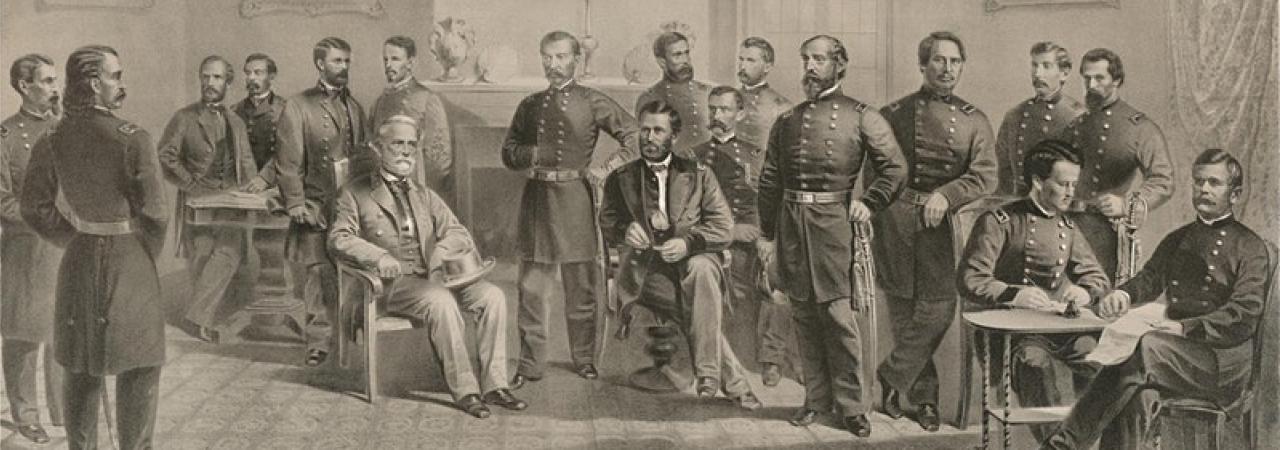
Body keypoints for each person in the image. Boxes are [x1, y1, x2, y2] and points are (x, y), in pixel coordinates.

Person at [1041, 148, 1272, 449]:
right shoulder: (1180, 237)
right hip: (1178, 351)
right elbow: (1150, 278)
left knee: (1144, 349)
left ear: (1235, 193)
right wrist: (1123, 294)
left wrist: (1184, 328)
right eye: (1198, 181)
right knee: (1133, 386)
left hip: (1221, 362)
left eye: (1214, 183)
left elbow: (1243, 315)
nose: (1203, 189)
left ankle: (1063, 445)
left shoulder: (1250, 247)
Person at [21, 44, 169, 450]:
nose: (120, 84)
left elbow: (33, 206)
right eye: (115, 76)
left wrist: (74, 237)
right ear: (92, 81)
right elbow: (156, 215)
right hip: (130, 261)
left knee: (80, 366)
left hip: (79, 259)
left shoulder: (52, 137)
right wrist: (142, 255)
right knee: (139, 367)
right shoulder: (133, 138)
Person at [329, 115, 526, 419]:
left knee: (493, 296)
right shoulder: (355, 193)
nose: (406, 151)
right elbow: (339, 238)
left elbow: (458, 232)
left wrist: (440, 254)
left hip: (436, 277)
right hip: (392, 286)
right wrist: (379, 257)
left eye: (411, 144)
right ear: (378, 149)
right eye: (397, 144)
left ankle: (495, 385)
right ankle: (465, 390)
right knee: (440, 301)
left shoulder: (425, 195)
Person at [758, 35, 906, 437]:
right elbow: (771, 178)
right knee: (804, 316)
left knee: (839, 319)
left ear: (839, 65)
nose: (810, 66)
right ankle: (816, 401)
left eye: (819, 59)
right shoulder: (787, 120)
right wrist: (767, 234)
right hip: (792, 227)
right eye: (806, 58)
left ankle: (853, 407)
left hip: (835, 228)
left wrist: (870, 202)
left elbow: (894, 169)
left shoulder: (862, 116)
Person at [599, 100, 761, 410]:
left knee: (700, 271)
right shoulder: (620, 178)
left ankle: (712, 377)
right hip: (645, 269)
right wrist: (624, 230)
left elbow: (723, 228)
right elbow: (607, 223)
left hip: (693, 260)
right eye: (644, 130)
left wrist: (688, 243)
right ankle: (726, 380)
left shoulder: (700, 174)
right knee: (696, 302)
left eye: (658, 131)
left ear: (674, 137)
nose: (648, 137)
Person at [874, 31, 996, 431]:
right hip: (895, 221)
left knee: (939, 308)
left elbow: (985, 176)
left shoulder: (975, 118)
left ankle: (891, 376)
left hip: (941, 227)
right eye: (939, 61)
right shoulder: (891, 114)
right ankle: (923, 400)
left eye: (955, 62)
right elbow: (873, 172)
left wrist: (946, 194)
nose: (947, 69)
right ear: (923, 64)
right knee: (904, 312)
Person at [501, 31, 638, 386]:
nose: (553, 64)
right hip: (538, 201)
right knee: (532, 289)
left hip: (577, 199)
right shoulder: (530, 105)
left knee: (582, 287)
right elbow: (509, 151)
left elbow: (635, 137)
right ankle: (530, 364)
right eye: (547, 57)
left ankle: (584, 359)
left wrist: (605, 169)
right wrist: (531, 154)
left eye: (561, 57)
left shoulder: (592, 101)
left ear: (576, 59)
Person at [957, 139, 1111, 440]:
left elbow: (1097, 278)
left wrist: (1084, 292)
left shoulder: (1067, 226)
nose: (1071, 192)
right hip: (1013, 333)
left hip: (1058, 329)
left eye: (1074, 184)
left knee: (1099, 359)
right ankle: (1055, 445)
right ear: (1039, 181)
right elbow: (969, 279)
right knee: (1035, 364)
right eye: (1063, 184)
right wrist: (1014, 294)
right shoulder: (999, 221)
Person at [687, 85, 795, 387]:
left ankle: (771, 359)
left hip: (754, 240)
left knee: (779, 283)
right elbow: (685, 213)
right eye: (714, 109)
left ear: (740, 114)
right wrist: (730, 231)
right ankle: (716, 363)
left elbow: (770, 201)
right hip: (711, 241)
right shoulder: (693, 157)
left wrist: (766, 238)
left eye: (725, 109)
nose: (718, 115)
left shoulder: (757, 156)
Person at [276, 36, 371, 366]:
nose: (343, 67)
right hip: (315, 203)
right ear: (320, 64)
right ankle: (318, 342)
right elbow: (288, 163)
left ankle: (349, 338)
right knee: (317, 273)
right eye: (336, 61)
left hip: (350, 204)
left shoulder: (355, 107)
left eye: (347, 61)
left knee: (351, 271)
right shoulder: (298, 105)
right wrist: (296, 203)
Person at [157, 55, 261, 343]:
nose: (210, 83)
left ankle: (197, 318)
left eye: (216, 78)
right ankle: (200, 318)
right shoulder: (185, 118)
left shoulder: (236, 121)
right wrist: (190, 183)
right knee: (202, 254)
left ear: (227, 82)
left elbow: (248, 162)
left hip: (230, 200)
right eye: (205, 77)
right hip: (197, 202)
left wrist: (254, 189)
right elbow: (165, 155)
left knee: (229, 252)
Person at [1062, 48, 1174, 281]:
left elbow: (1163, 180)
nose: (1091, 85)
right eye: (1086, 78)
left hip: (1105, 233)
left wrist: (1126, 204)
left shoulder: (1139, 128)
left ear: (1117, 80)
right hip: (1066, 227)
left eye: (1099, 78)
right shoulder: (1075, 127)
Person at [0, 52, 64, 444]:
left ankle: (62, 410)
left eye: (56, 81)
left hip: (63, 248)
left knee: (62, 332)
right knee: (23, 336)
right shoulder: (5, 136)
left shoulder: (65, 132)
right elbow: (1, 199)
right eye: (47, 81)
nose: (55, 89)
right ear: (25, 86)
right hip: (24, 251)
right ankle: (26, 415)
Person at [994, 42, 1086, 196]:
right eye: (1034, 65)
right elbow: (1002, 171)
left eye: (1046, 66)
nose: (1037, 74)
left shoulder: (1078, 117)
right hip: (1017, 205)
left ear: (1064, 73)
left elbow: (1083, 181)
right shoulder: (1015, 114)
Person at [368, 36, 453, 199]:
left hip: (416, 191)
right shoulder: (379, 102)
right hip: (382, 192)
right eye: (385, 59)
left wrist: (422, 194)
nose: (388, 65)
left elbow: (440, 158)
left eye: (395, 59)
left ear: (410, 63)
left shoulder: (426, 98)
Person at [635, 31, 713, 156]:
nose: (686, 60)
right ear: (662, 62)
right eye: (677, 55)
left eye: (686, 53)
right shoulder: (651, 98)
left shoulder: (707, 92)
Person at [234, 52, 286, 185]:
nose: (251, 77)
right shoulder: (234, 111)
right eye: (247, 73)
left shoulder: (286, 109)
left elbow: (290, 152)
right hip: (243, 184)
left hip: (276, 182)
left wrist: (265, 178)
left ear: (271, 76)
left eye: (258, 73)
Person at [735, 37, 792, 153]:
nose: (742, 66)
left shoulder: (782, 107)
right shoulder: (727, 99)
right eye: (741, 59)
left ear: (767, 67)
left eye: (750, 60)